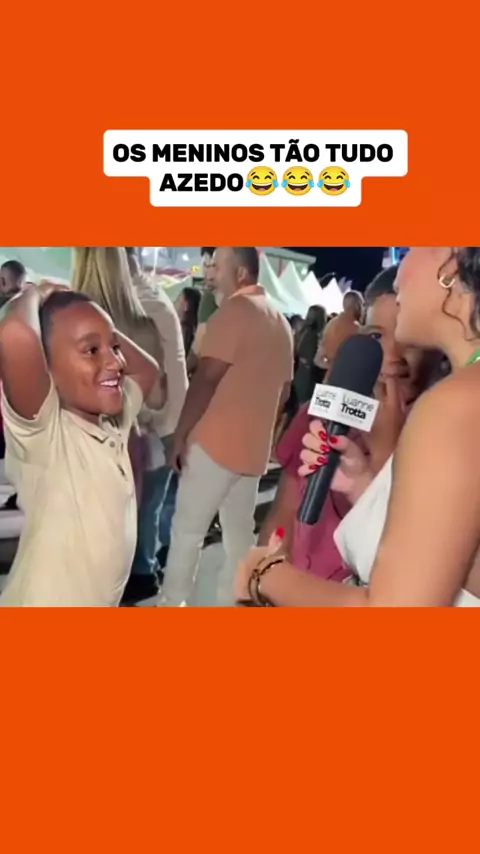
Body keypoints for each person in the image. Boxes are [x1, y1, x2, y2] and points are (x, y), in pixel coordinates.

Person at [236, 247, 480, 608]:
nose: (398, 273)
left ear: (452, 258)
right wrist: (366, 485)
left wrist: (264, 575)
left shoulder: (453, 407)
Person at [258, 264, 422, 583]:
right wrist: (262, 579)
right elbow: (283, 512)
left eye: (409, 340)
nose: (391, 355)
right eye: (376, 336)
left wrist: (385, 451)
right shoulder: (316, 414)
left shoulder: (441, 434)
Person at [0, 285, 161, 607]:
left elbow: (148, 370)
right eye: (91, 351)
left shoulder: (114, 422)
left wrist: (97, 325)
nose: (116, 362)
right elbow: (15, 334)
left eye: (115, 348)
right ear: (47, 370)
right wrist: (36, 293)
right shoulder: (46, 436)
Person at [161, 246, 293, 607]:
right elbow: (284, 392)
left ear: (241, 273)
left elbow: (206, 379)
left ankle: (172, 603)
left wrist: (181, 435)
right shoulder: (280, 322)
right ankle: (234, 603)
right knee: (239, 536)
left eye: (217, 267)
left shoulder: (234, 312)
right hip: (252, 451)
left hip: (213, 446)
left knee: (188, 531)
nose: (209, 273)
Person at [72, 247, 166, 502]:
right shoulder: (144, 326)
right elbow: (157, 399)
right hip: (130, 447)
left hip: (79, 450)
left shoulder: (66, 329)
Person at [123, 247, 188, 601]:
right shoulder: (153, 295)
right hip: (172, 419)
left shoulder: (140, 303)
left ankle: (143, 571)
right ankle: (151, 562)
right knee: (156, 501)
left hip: (159, 421)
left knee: (145, 502)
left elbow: (156, 383)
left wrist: (143, 416)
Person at [315, 290, 363, 372]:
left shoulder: (332, 323)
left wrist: (333, 366)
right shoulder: (357, 330)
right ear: (357, 306)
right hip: (347, 377)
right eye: (362, 305)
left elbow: (318, 360)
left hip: (330, 377)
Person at [293, 305, 328, 404]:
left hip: (299, 370)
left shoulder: (302, 331)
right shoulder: (313, 336)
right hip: (307, 374)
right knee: (303, 402)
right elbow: (312, 358)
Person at [175, 286, 201, 358]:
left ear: (186, 305)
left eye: (178, 299)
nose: (174, 303)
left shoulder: (180, 330)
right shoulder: (193, 329)